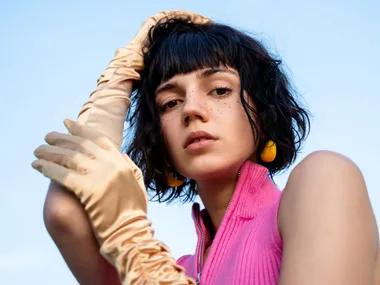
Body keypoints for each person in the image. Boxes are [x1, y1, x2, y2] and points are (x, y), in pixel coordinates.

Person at [32, 11, 379, 285]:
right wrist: (121, 74)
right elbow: (66, 213)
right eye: (170, 103)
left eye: (220, 90)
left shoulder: (322, 182)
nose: (191, 110)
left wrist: (128, 232)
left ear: (262, 111)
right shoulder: (175, 269)